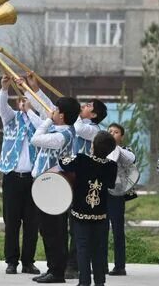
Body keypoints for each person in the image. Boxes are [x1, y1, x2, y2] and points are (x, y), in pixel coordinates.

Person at [30, 96, 80, 284]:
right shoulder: (58, 130)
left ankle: (57, 271)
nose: (53, 112)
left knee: (55, 230)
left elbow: (35, 138)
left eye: (56, 110)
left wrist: (48, 120)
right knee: (47, 229)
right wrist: (50, 119)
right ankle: (52, 268)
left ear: (62, 115)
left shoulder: (63, 135)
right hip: (44, 185)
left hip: (54, 187)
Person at [58, 131, 118, 286]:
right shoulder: (112, 166)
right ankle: (100, 282)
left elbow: (63, 162)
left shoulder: (81, 159)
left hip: (80, 215)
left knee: (82, 249)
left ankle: (84, 282)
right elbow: (111, 184)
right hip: (100, 216)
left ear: (93, 145)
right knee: (99, 250)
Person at [0, 74, 41, 276]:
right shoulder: (11, 118)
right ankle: (11, 261)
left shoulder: (37, 120)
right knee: (12, 222)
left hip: (33, 179)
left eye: (27, 99)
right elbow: (1, 107)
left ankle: (28, 261)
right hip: (13, 177)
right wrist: (4, 89)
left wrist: (31, 110)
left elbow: (41, 127)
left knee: (32, 223)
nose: (23, 102)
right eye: (21, 100)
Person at [66, 98, 108, 278]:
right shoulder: (78, 123)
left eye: (89, 106)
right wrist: (35, 89)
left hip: (83, 183)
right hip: (72, 177)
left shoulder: (94, 130)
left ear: (95, 114)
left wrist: (75, 111)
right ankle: (70, 264)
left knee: (78, 226)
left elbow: (79, 129)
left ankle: (75, 265)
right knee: (71, 225)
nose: (84, 106)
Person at [106, 123, 137, 276]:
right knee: (100, 231)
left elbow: (130, 160)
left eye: (116, 132)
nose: (112, 134)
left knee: (117, 231)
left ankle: (120, 266)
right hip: (101, 194)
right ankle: (100, 264)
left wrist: (112, 145)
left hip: (116, 195)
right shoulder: (100, 151)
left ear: (121, 136)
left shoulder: (126, 151)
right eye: (109, 131)